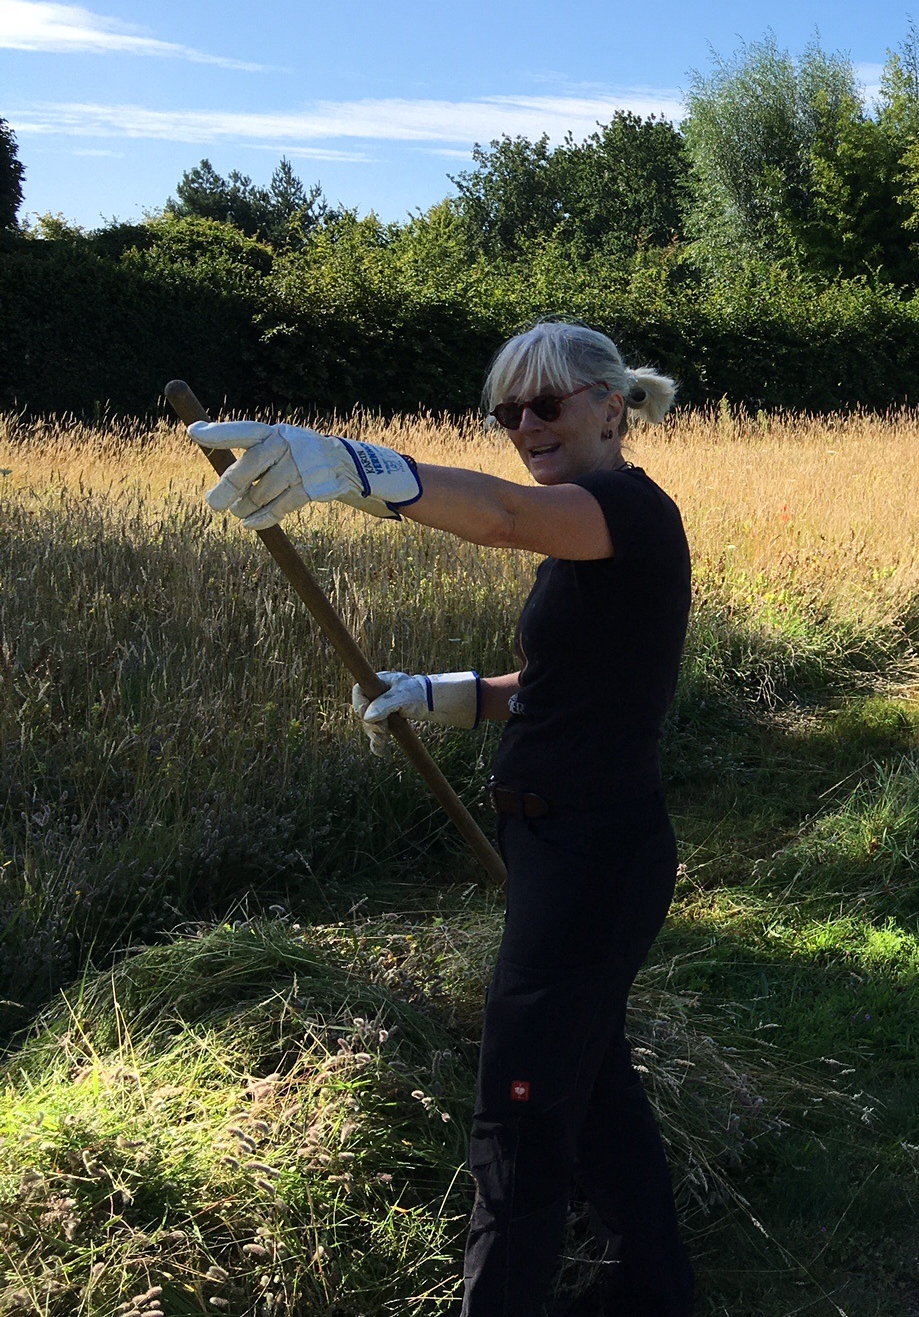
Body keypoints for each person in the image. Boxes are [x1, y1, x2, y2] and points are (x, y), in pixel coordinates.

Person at [190, 321, 697, 1316]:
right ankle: (648, 1287)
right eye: (508, 410)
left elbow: (502, 515)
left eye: (546, 404)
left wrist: (350, 468)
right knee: (586, 1084)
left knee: (516, 1117)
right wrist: (446, 693)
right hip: (565, 845)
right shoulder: (585, 529)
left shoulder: (621, 508)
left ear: (608, 406)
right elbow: (559, 688)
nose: (525, 426)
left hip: (595, 853)